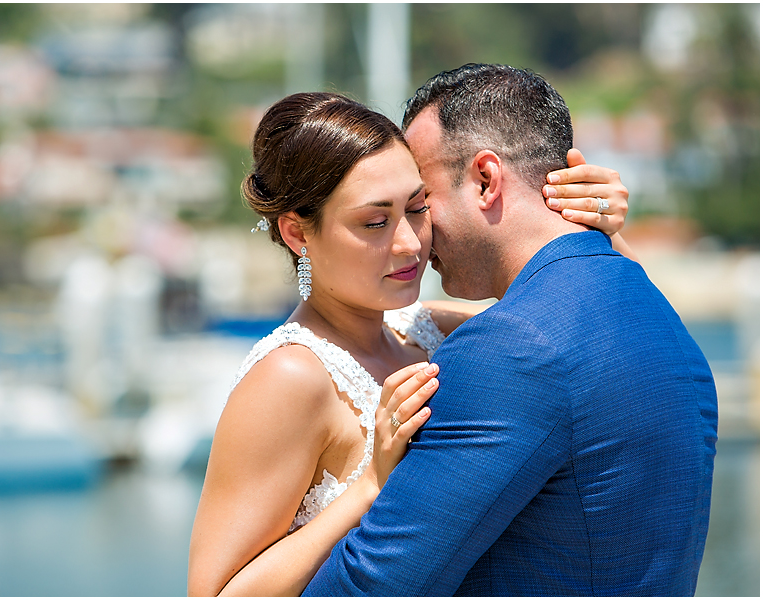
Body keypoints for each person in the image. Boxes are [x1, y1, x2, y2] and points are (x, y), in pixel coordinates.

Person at [188, 90, 633, 597]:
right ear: (297, 233)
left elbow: (597, 333)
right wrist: (369, 489)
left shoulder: (432, 330)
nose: (409, 242)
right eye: (375, 222)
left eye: (418, 208)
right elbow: (215, 593)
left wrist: (600, 226)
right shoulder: (292, 377)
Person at [302, 64, 718, 596]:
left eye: (423, 202)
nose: (417, 237)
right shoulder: (658, 317)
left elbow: (372, 588)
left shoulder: (508, 351)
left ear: (485, 179)